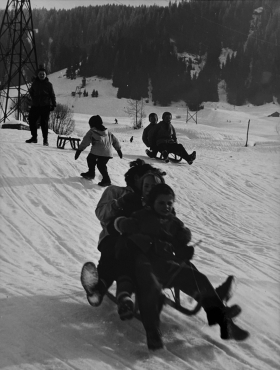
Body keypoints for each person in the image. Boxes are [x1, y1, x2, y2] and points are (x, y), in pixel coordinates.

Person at [113, 184, 249, 350]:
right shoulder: (141, 217)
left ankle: (225, 324)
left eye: (169, 203)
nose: (166, 207)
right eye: (161, 203)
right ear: (152, 203)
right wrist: (162, 247)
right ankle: (153, 332)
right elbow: (134, 239)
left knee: (197, 278)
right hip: (144, 266)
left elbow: (179, 243)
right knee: (150, 286)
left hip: (167, 268)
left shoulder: (174, 222)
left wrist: (183, 249)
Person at [80, 159, 167, 307]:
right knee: (113, 255)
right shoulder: (115, 191)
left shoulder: (150, 198)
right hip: (113, 236)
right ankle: (99, 288)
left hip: (141, 241)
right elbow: (101, 213)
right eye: (146, 178)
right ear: (136, 178)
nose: (150, 182)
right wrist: (118, 203)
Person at [75, 115, 122, 186]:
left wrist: (79, 150)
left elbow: (85, 141)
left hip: (97, 151)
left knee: (90, 159)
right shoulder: (107, 132)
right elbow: (115, 141)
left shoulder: (92, 131)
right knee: (101, 165)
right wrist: (118, 150)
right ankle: (106, 179)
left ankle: (91, 173)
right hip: (108, 152)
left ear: (92, 124)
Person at [25, 65, 56, 146]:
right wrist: (34, 99)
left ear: (45, 75)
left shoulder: (49, 84)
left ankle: (45, 140)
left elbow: (52, 95)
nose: (41, 75)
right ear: (38, 75)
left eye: (43, 74)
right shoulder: (35, 83)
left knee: (44, 123)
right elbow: (31, 92)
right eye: (40, 74)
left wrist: (53, 104)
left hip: (45, 106)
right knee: (31, 120)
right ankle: (34, 137)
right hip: (35, 105)